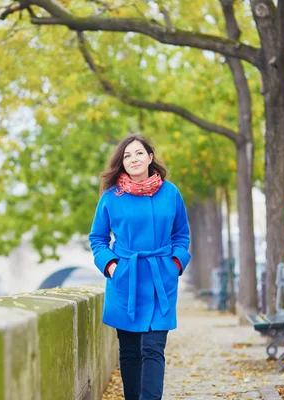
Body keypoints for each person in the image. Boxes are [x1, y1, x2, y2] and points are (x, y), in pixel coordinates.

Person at [89, 134, 191, 400]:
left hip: (161, 280)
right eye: (127, 155)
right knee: (131, 352)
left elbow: (181, 235)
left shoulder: (171, 193)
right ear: (121, 163)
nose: (133, 159)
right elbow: (98, 239)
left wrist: (175, 264)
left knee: (154, 348)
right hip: (126, 280)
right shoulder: (111, 197)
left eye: (138, 153)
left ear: (150, 157)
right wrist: (112, 267)